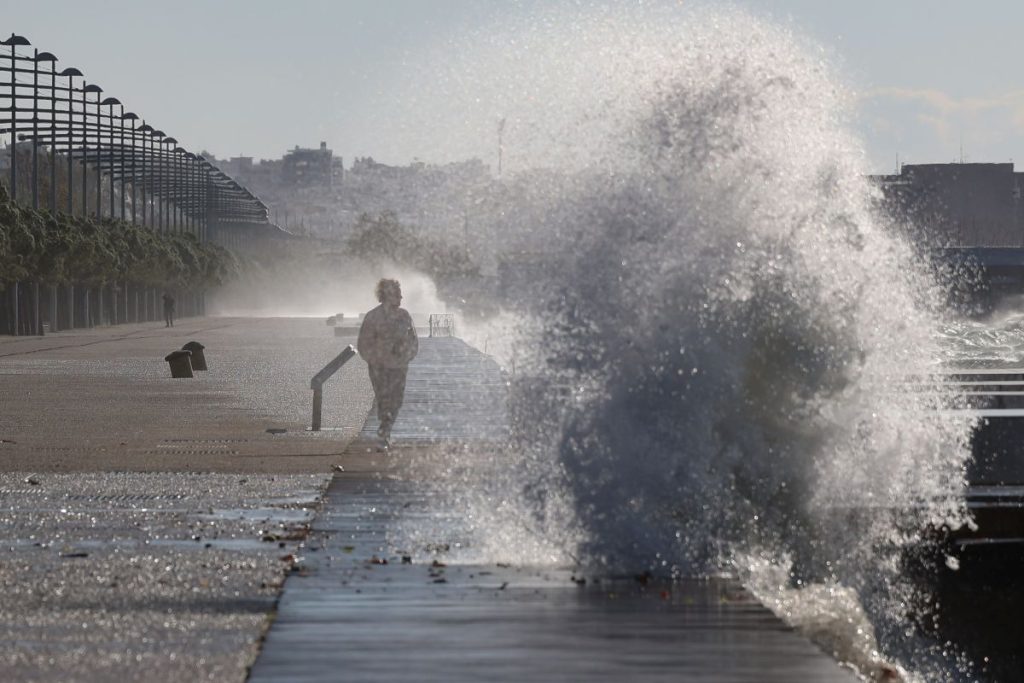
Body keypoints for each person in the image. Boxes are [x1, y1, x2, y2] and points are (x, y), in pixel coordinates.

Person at [357, 279, 418, 449]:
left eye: (400, 293)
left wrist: (408, 356)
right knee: (384, 399)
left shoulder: (404, 316)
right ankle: (384, 432)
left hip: (399, 366)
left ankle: (386, 429)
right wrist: (374, 360)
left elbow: (413, 339)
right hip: (379, 367)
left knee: (397, 400)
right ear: (386, 295)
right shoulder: (373, 317)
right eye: (397, 294)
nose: (401, 297)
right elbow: (363, 343)